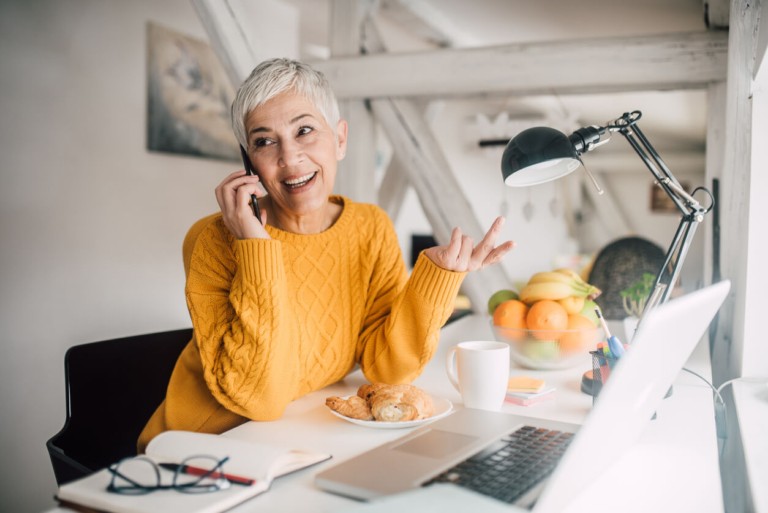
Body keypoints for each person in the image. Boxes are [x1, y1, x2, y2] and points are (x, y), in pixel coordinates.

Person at [138, 58, 514, 452]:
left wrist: (435, 278)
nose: (289, 157)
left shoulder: (370, 228)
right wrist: (256, 248)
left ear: (339, 139)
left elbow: (388, 371)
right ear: (251, 163)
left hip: (296, 445)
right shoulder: (213, 241)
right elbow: (261, 400)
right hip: (196, 451)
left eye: (304, 130)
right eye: (264, 141)